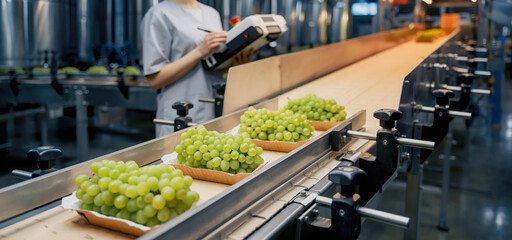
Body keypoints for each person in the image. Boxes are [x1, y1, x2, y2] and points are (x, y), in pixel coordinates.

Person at [141, 0, 254, 137]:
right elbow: (155, 80)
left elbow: (210, 68)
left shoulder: (212, 13)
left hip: (215, 107)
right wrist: (199, 52)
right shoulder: (158, 14)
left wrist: (234, 63)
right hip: (181, 112)